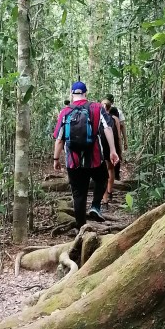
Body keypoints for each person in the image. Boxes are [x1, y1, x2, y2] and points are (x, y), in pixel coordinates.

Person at [53, 81, 118, 227]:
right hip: (94, 158)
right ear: (85, 93)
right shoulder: (96, 107)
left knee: (78, 194)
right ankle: (95, 206)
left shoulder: (65, 112)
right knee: (102, 179)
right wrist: (113, 150)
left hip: (73, 161)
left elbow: (59, 139)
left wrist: (56, 159)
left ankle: (81, 228)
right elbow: (107, 128)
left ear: (72, 94)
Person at [101, 97, 123, 205]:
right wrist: (119, 150)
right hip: (111, 146)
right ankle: (108, 193)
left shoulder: (99, 118)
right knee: (110, 169)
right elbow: (118, 136)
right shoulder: (115, 119)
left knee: (104, 170)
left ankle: (105, 195)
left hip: (103, 147)